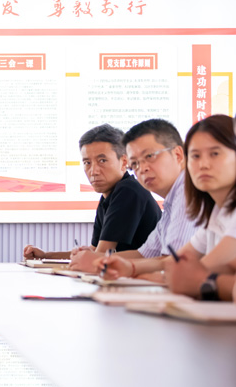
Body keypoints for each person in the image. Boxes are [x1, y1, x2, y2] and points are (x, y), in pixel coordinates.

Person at [99, 114, 236, 285]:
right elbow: (176, 260)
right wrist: (130, 268)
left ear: (178, 155)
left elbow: (200, 269)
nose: (203, 164)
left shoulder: (187, 195)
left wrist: (162, 276)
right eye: (195, 156)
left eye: (214, 154)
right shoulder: (215, 211)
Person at [69, 119, 198, 274]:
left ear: (177, 154)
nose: (142, 169)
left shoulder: (187, 193)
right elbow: (143, 254)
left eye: (149, 156)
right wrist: (96, 259)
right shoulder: (171, 203)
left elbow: (174, 263)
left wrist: (101, 262)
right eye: (135, 163)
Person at [24, 124, 161, 261]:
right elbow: (94, 250)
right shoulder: (108, 196)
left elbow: (97, 256)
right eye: (87, 162)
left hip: (148, 273)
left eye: (102, 160)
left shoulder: (128, 191)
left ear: (124, 161)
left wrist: (88, 256)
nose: (93, 171)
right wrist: (45, 255)